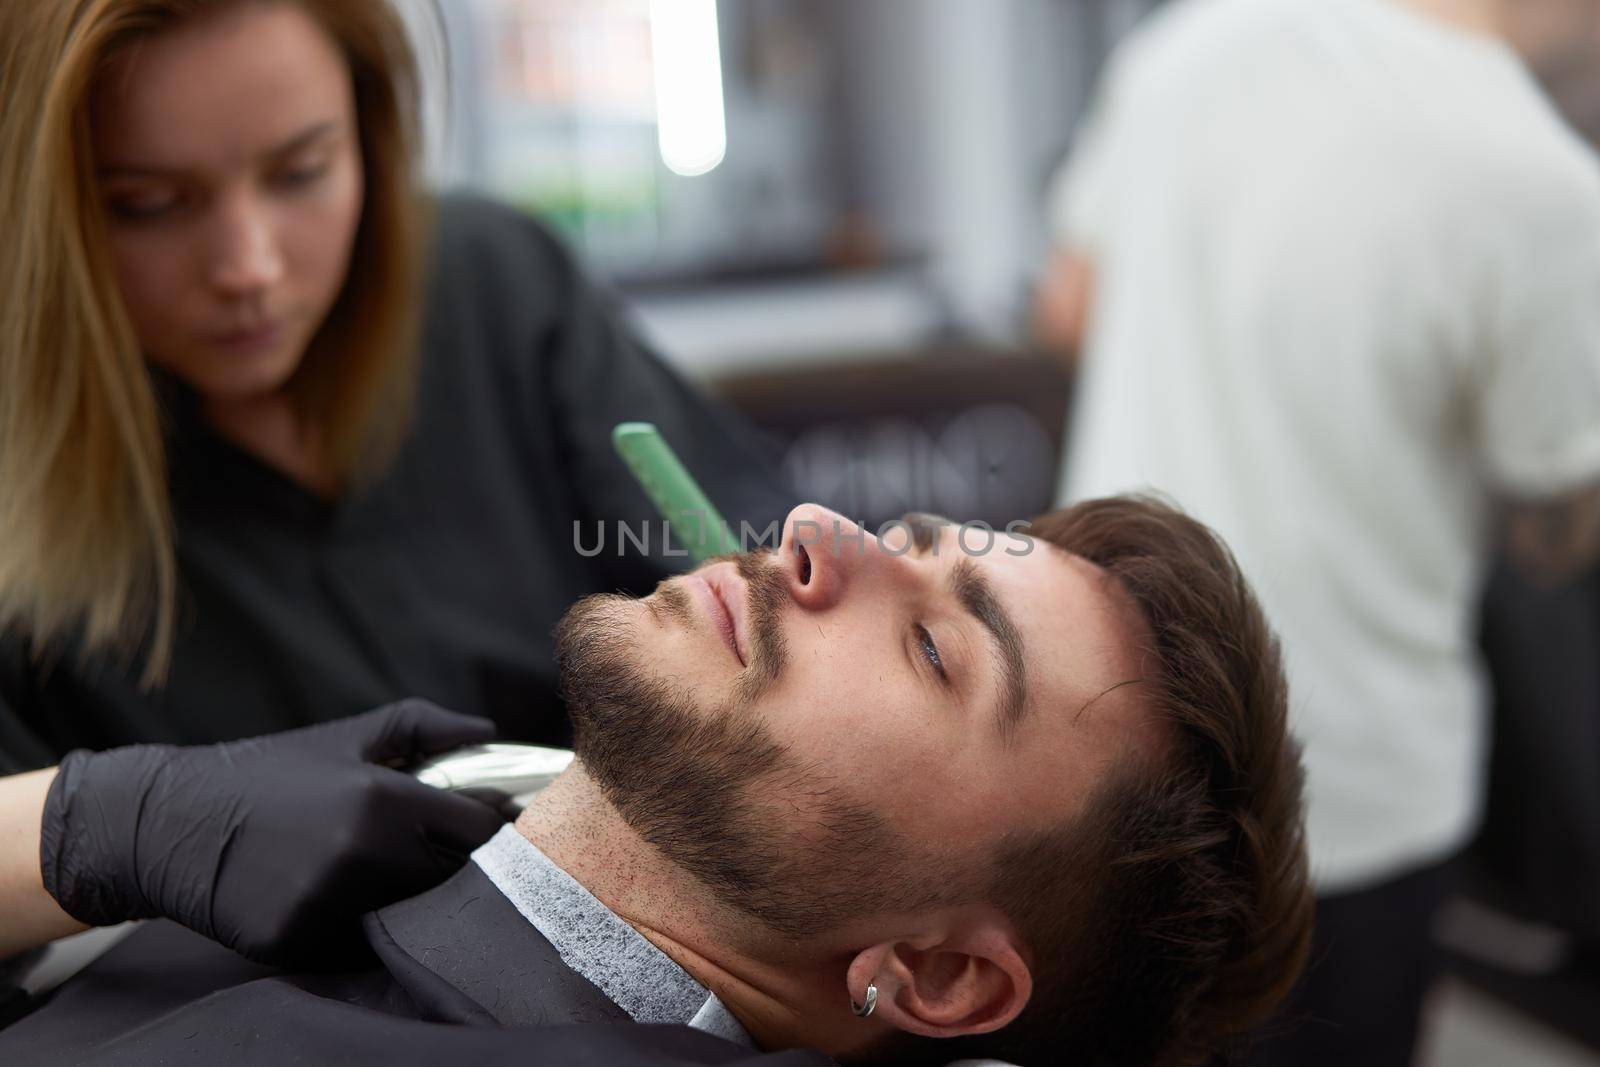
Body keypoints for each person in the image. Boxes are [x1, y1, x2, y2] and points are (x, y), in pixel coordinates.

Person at [0, 0, 791, 978]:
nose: (247, 267)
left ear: (371, 135)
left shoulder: (495, 286)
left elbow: (754, 584)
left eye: (301, 172)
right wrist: (114, 824)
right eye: (148, 203)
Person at [0, 499, 1314, 1067]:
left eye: (931, 644)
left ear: (941, 975)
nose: (813, 535)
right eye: (903, 533)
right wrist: (81, 829)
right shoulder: (431, 816)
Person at [1035, 0, 1600, 1063]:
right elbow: (1560, 501)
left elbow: (1066, 305)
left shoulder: (1188, 43)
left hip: (1103, 742)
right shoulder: (1540, 179)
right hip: (1351, 783)